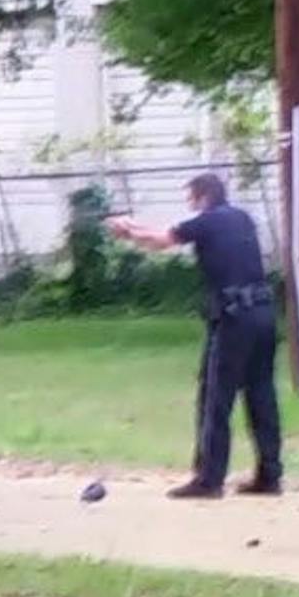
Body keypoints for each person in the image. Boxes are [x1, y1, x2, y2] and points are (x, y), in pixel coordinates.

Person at [110, 174, 284, 499]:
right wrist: (135, 230)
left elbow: (163, 240)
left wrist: (127, 231)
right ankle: (269, 475)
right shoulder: (241, 218)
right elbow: (170, 235)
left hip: (234, 318)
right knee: (262, 395)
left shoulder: (206, 222)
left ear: (203, 196)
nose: (188, 203)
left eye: (190, 197)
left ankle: (209, 479)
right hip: (263, 313)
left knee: (215, 398)